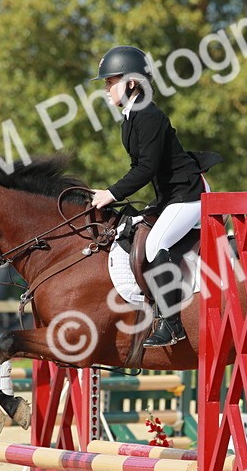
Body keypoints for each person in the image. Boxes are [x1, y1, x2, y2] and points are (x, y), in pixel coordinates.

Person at [88, 45, 212, 347]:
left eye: (110, 81)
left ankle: (172, 324)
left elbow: (146, 168)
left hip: (190, 195)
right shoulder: (130, 119)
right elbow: (139, 167)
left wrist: (111, 193)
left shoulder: (149, 116)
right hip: (170, 195)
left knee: (156, 245)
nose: (106, 90)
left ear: (131, 82)